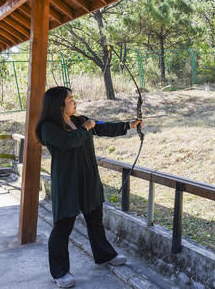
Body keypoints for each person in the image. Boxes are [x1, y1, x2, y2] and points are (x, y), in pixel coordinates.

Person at [35, 86, 143, 288]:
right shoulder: (48, 127)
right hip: (67, 184)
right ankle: (60, 273)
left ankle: (104, 255)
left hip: (88, 179)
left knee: (95, 220)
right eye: (70, 99)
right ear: (59, 104)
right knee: (62, 227)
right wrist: (86, 128)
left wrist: (129, 125)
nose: (74, 102)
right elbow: (68, 143)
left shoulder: (79, 120)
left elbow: (101, 126)